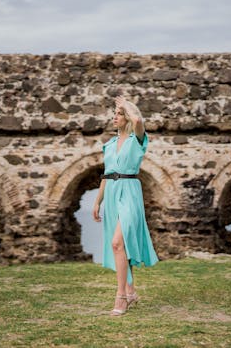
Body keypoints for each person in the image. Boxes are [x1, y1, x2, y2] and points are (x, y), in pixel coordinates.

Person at [92, 96, 159, 316]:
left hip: (130, 191)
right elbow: (107, 173)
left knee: (117, 242)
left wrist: (127, 105)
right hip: (111, 192)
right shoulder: (109, 145)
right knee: (123, 244)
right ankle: (130, 290)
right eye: (115, 113)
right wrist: (97, 200)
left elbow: (138, 121)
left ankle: (121, 296)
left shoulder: (137, 139)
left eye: (119, 114)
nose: (115, 117)